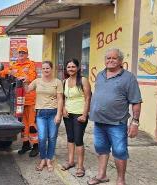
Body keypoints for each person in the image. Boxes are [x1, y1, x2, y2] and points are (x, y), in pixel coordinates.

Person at [87, 48, 142, 185]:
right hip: (99, 121)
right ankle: (102, 175)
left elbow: (136, 101)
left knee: (119, 151)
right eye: (108, 58)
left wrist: (135, 122)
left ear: (120, 61)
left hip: (117, 122)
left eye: (114, 58)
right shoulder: (100, 75)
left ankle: (120, 180)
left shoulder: (128, 77)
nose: (110, 61)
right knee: (101, 148)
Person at [0, 46, 39, 157]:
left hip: (30, 100)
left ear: (27, 54)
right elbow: (2, 73)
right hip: (19, 101)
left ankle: (36, 146)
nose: (21, 54)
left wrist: (21, 75)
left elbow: (32, 77)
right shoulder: (14, 65)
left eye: (23, 52)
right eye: (20, 52)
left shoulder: (31, 64)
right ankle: (26, 144)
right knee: (23, 125)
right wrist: (9, 73)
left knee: (32, 124)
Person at [25, 61, 63, 171]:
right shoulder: (37, 81)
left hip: (53, 113)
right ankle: (42, 159)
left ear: (52, 69)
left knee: (52, 138)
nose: (46, 70)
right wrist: (26, 79)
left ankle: (49, 159)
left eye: (48, 68)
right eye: (44, 68)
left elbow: (60, 99)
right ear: (41, 69)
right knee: (41, 138)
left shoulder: (57, 82)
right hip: (40, 114)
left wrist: (59, 115)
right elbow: (27, 89)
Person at [60, 59, 91, 177]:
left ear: (78, 68)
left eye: (73, 67)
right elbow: (62, 98)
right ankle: (71, 161)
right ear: (66, 69)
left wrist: (84, 114)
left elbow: (88, 98)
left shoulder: (83, 80)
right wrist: (63, 109)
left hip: (79, 114)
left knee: (78, 140)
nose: (71, 69)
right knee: (70, 138)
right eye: (69, 67)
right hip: (68, 114)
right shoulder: (64, 82)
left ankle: (80, 166)